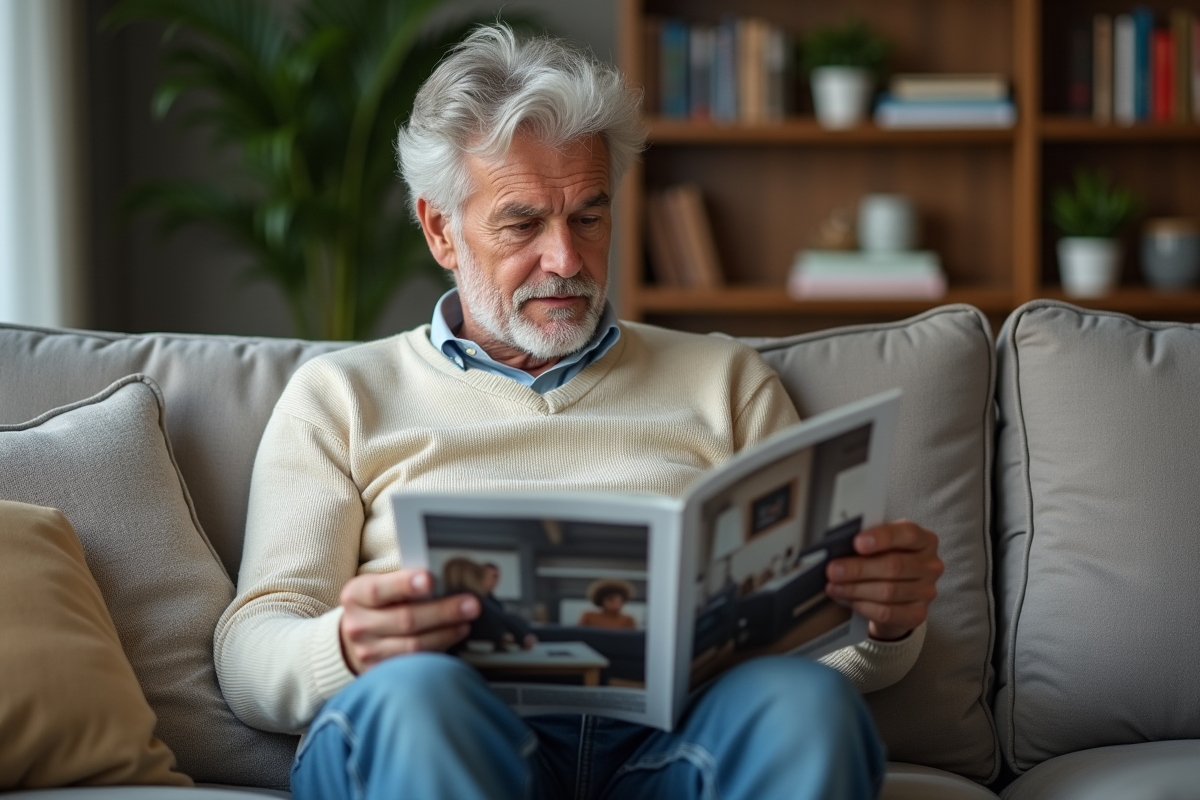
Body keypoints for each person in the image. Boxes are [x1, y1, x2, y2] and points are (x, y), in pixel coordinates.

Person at [214, 23, 944, 800]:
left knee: (808, 708)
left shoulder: (724, 380)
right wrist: (348, 647)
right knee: (416, 703)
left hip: (671, 746)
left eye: (588, 218)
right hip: (443, 728)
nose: (565, 259)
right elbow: (252, 648)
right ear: (440, 230)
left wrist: (883, 625)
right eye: (523, 223)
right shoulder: (342, 396)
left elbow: (813, 649)